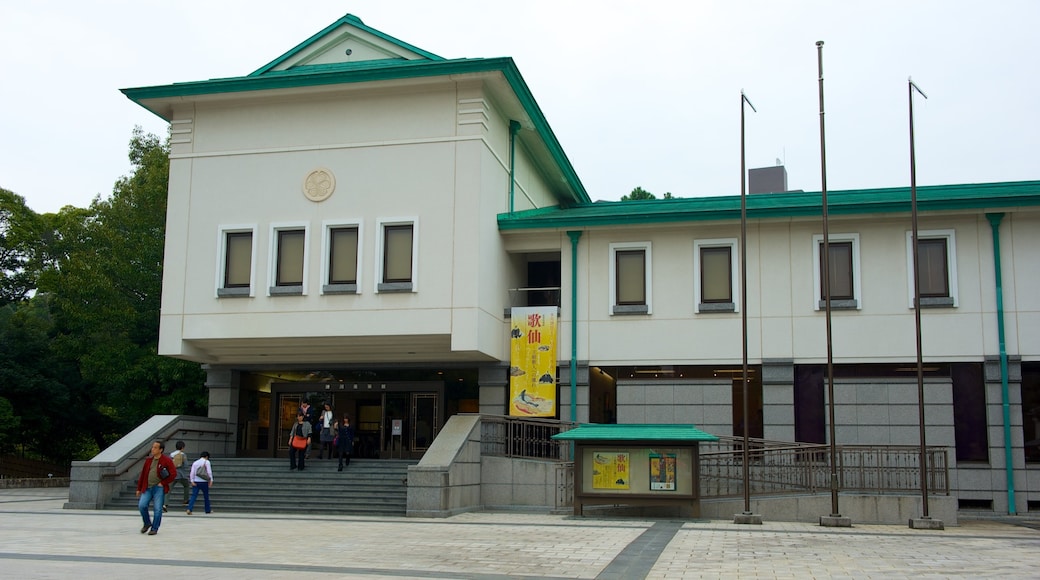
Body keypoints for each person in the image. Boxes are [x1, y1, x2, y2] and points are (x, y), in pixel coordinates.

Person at [136, 440, 177, 536]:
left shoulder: (166, 460)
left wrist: (163, 483)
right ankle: (147, 523)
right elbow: (143, 475)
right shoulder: (148, 461)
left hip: (159, 488)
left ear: (161, 450)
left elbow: (173, 474)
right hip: (147, 487)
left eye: (155, 447)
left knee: (158, 509)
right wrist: (139, 488)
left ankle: (154, 528)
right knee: (142, 505)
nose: (152, 449)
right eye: (152, 447)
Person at [163, 441, 189, 512]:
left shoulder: (171, 454)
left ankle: (165, 504)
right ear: (182, 447)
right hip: (181, 475)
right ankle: (185, 500)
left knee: (168, 490)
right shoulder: (183, 455)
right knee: (186, 486)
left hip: (172, 475)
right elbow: (186, 465)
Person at [186, 451, 214, 515]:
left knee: (194, 495)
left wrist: (192, 480)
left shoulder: (195, 462)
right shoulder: (207, 462)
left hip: (196, 481)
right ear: (207, 456)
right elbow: (209, 472)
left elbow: (192, 472)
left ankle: (189, 508)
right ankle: (207, 510)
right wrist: (211, 480)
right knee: (206, 496)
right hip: (204, 482)